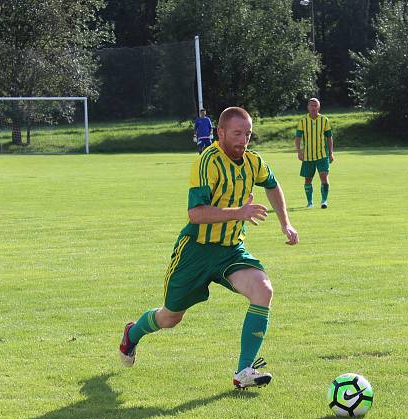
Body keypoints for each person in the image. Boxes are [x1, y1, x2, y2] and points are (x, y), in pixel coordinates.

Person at [119, 106, 299, 389]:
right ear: (221, 132)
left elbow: (273, 185)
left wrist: (285, 223)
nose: (243, 140)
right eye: (237, 133)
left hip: (230, 250)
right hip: (196, 252)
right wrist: (238, 212)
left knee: (263, 290)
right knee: (170, 317)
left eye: (248, 134)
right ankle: (133, 333)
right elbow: (196, 213)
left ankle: (244, 371)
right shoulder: (208, 162)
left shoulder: (253, 162)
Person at [295, 98, 334, 208]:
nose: (313, 107)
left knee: (324, 176)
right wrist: (299, 152)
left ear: (319, 107)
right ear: (308, 107)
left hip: (322, 155)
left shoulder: (324, 120)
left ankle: (324, 201)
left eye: (315, 105)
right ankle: (310, 202)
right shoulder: (303, 121)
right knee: (308, 179)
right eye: (311, 105)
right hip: (308, 156)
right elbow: (298, 138)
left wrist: (331, 153)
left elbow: (329, 137)